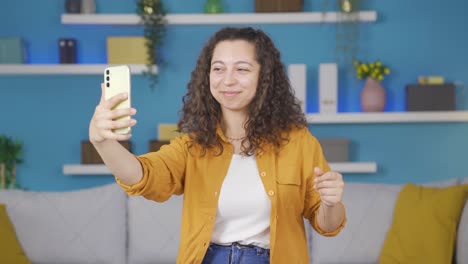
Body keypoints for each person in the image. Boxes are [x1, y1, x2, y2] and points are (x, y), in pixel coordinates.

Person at [89, 27, 346, 264]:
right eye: (218, 68)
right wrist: (102, 143)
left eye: (242, 69)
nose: (228, 80)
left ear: (264, 76)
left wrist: (331, 203)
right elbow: (144, 176)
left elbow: (327, 225)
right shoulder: (193, 145)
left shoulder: (299, 143)